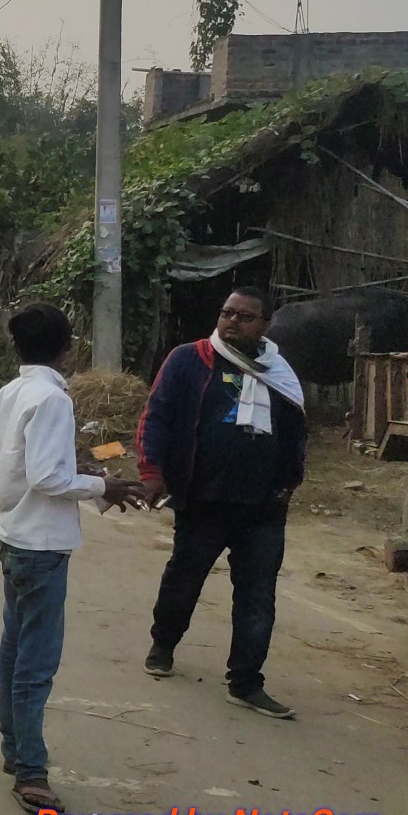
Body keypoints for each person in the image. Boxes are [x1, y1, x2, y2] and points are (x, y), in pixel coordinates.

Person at [0, 303, 145, 815]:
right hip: (42, 545)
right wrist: (101, 484)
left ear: (17, 345)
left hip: (13, 535)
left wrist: (85, 481)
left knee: (14, 649)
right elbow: (48, 477)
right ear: (68, 347)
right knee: (36, 661)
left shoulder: (8, 394)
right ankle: (30, 769)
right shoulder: (52, 398)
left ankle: (15, 750)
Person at [137, 286, 306, 718]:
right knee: (185, 577)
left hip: (263, 507)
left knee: (257, 595)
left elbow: (295, 430)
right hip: (204, 499)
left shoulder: (279, 371)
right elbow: (156, 415)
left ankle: (246, 682)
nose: (232, 321)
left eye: (244, 316)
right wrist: (152, 471)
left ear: (265, 325)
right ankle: (163, 644)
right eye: (227, 312)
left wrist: (291, 480)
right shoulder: (188, 359)